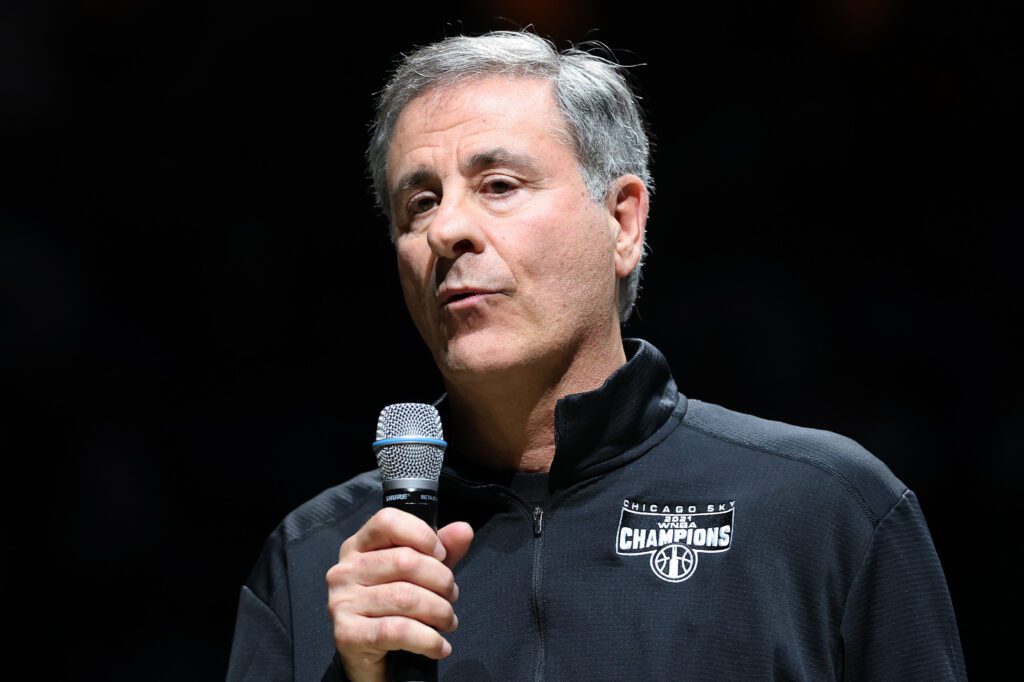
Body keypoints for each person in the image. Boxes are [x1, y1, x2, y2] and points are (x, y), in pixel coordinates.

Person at [226, 30, 966, 681]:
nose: (447, 228)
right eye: (418, 202)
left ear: (622, 222)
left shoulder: (826, 510)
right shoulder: (317, 558)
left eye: (498, 185)